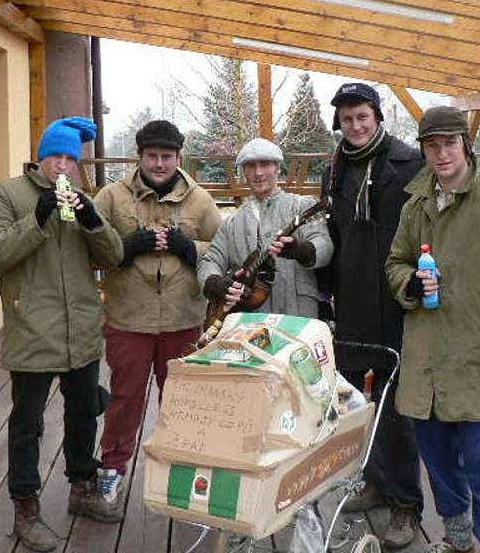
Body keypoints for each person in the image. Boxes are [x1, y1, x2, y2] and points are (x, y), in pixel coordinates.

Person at [385, 106, 480, 553]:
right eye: (432, 146)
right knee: (440, 467)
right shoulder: (416, 204)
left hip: (479, 363)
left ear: (465, 146)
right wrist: (409, 283)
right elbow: (396, 262)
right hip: (426, 365)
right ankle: (457, 541)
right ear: (424, 151)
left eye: (449, 143)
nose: (441, 153)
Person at [0, 117, 124, 552]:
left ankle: (80, 487)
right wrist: (37, 220)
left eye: (69, 160)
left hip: (80, 328)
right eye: (55, 156)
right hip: (32, 328)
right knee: (28, 424)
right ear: (40, 158)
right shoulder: (8, 195)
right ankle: (26, 508)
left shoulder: (81, 199)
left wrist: (94, 221)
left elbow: (114, 256)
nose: (61, 166)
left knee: (83, 413)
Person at [92, 119, 222, 511]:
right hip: (128, 318)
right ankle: (112, 469)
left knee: (182, 401)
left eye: (167, 156)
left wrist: (188, 248)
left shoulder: (199, 200)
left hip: (184, 319)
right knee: (125, 398)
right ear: (140, 157)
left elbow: (221, 249)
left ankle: (184, 473)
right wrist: (127, 246)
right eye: (153, 156)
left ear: (179, 157)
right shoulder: (112, 197)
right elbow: (92, 246)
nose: (160, 164)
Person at [321, 83, 424, 549]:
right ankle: (377, 481)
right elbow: (334, 232)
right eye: (347, 119)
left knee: (398, 405)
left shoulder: (409, 162)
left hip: (397, 300)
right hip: (353, 298)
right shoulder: (337, 167)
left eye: (362, 116)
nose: (356, 126)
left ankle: (406, 503)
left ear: (378, 116)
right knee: (361, 401)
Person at [198, 137, 333, 318]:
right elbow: (211, 261)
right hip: (247, 322)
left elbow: (325, 244)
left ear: (277, 168)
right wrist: (214, 283)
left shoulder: (302, 207)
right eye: (251, 166)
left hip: (297, 318)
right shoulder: (232, 222)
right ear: (243, 171)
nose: (258, 172)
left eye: (265, 164)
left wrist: (301, 250)